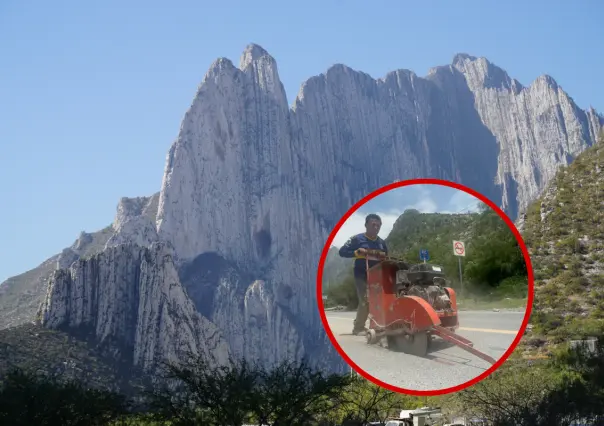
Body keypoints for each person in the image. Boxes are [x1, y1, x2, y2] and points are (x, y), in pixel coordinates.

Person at [338, 213, 388, 335]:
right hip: (361, 274)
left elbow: (386, 256)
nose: (376, 228)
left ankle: (378, 325)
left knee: (380, 300)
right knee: (365, 300)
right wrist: (356, 253)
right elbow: (342, 251)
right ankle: (358, 328)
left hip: (377, 275)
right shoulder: (357, 239)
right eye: (373, 225)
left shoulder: (381, 243)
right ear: (366, 225)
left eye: (378, 225)